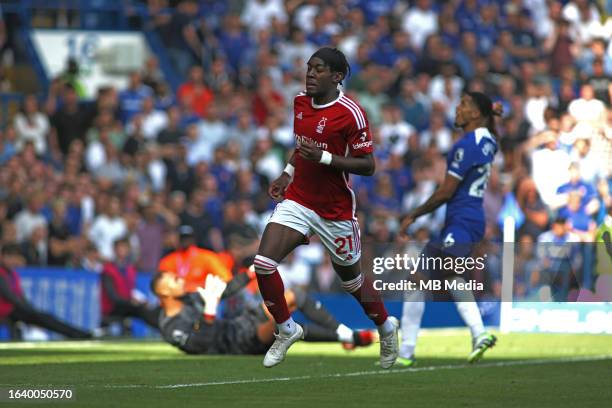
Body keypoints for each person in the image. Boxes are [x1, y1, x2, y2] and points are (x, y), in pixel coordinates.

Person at [253, 47, 398, 368]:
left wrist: (325, 159)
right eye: (308, 68)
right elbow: (302, 147)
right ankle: (286, 328)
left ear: (337, 77)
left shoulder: (351, 112)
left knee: (352, 283)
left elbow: (368, 165)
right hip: (299, 199)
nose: (310, 74)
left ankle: (386, 328)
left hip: (334, 210)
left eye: (318, 69)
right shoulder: (300, 102)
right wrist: (287, 173)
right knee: (263, 263)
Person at [398, 92, 502, 366]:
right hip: (466, 219)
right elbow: (491, 134)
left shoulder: (465, 145)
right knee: (419, 279)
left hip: (462, 219)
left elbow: (445, 191)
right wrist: (492, 112)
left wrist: (414, 214)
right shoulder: (489, 140)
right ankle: (406, 351)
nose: (458, 107)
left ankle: (479, 334)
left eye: (465, 104)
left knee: (450, 272)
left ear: (476, 114)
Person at [151, 271, 373, 355]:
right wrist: (210, 309)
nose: (181, 279)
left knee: (295, 295)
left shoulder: (188, 297)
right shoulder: (170, 326)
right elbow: (198, 346)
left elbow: (225, 291)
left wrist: (250, 272)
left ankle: (346, 333)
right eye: (175, 280)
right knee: (283, 325)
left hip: (240, 322)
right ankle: (349, 338)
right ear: (163, 291)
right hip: (238, 343)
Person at [0, 244, 91, 339]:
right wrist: (30, 310)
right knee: (43, 318)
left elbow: (20, 296)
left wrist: (31, 310)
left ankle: (77, 333)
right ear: (2, 257)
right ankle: (78, 334)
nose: (12, 261)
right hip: (6, 311)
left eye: (14, 257)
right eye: (9, 257)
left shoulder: (13, 274)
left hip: (13, 310)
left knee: (44, 317)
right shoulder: (2, 273)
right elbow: (10, 296)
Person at [100, 237, 159, 333]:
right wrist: (131, 302)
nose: (122, 250)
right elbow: (113, 296)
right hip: (113, 308)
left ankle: (161, 327)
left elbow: (130, 290)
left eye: (125, 247)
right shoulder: (108, 270)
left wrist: (140, 300)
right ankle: (161, 328)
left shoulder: (130, 269)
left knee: (145, 308)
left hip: (126, 306)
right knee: (138, 309)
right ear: (114, 249)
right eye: (120, 247)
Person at [158, 225, 232, 292]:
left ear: (194, 239)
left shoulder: (207, 257)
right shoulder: (168, 260)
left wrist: (203, 286)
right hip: (178, 297)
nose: (185, 241)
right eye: (182, 238)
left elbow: (225, 277)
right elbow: (161, 284)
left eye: (188, 238)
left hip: (202, 296)